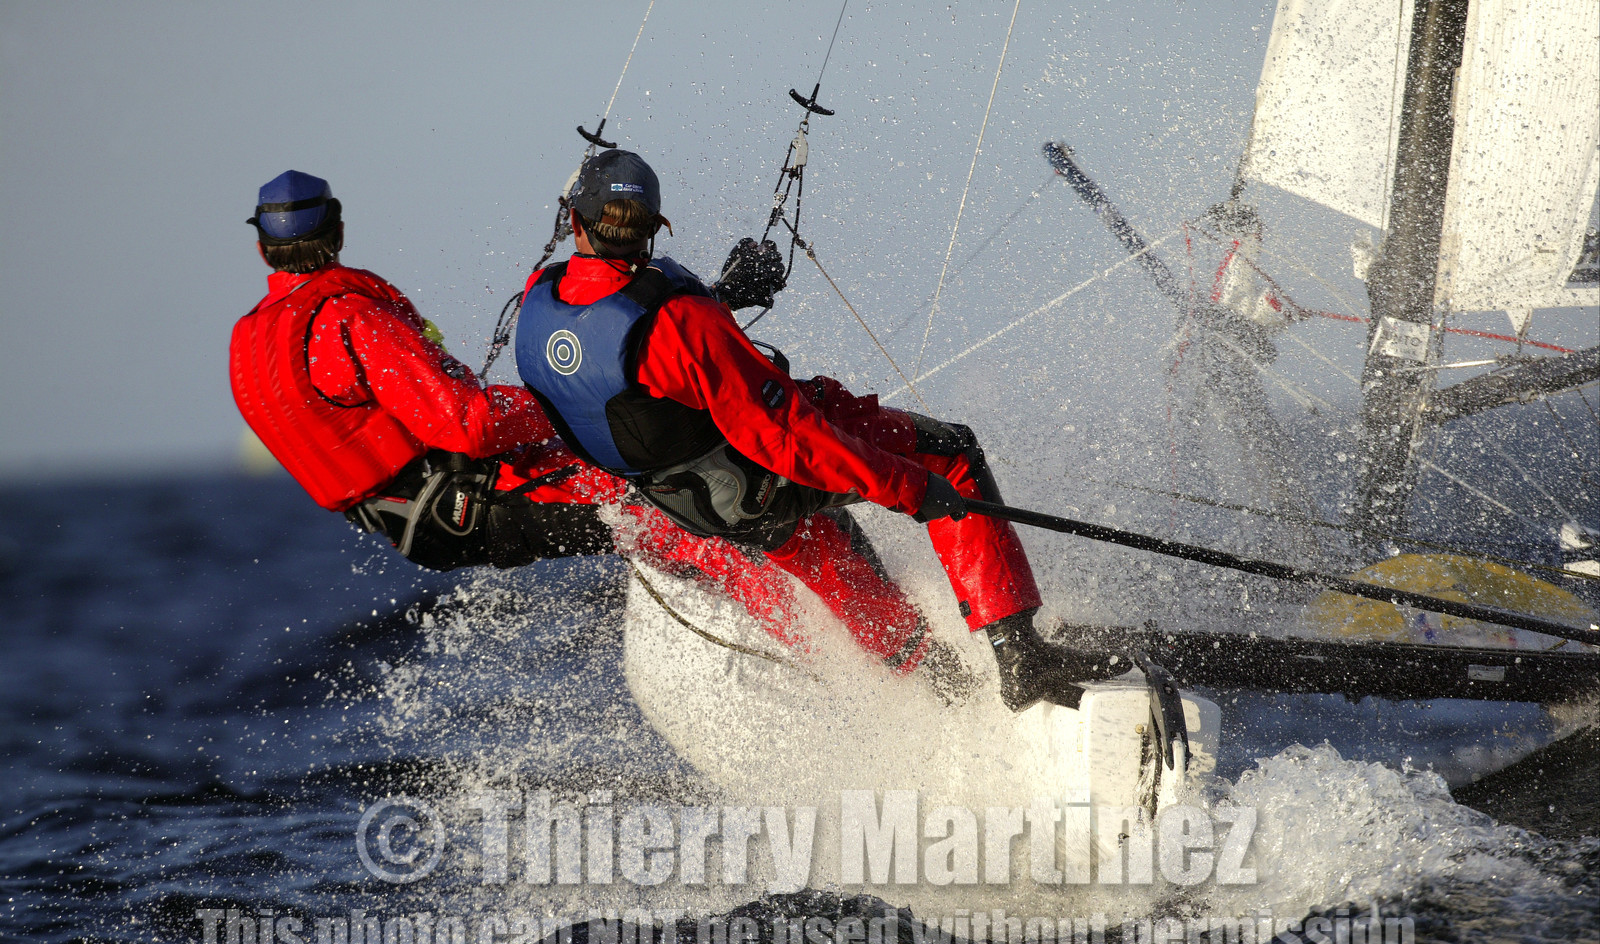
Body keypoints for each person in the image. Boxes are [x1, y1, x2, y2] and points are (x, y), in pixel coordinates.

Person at [229, 170, 960, 687]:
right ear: (338, 228)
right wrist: (569, 394)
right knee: (707, 520)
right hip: (473, 500)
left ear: (264, 247)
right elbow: (471, 423)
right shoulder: (345, 319)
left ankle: (870, 661)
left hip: (415, 524)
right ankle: (915, 677)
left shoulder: (249, 337)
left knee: (695, 518)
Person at [514, 150, 1117, 712]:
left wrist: (723, 297)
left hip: (692, 506)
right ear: (653, 230)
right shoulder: (681, 320)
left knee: (820, 544)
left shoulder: (538, 305)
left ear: (576, 223)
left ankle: (944, 686)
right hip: (754, 478)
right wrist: (909, 489)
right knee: (949, 453)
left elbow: (636, 376)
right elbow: (788, 439)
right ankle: (1022, 661)